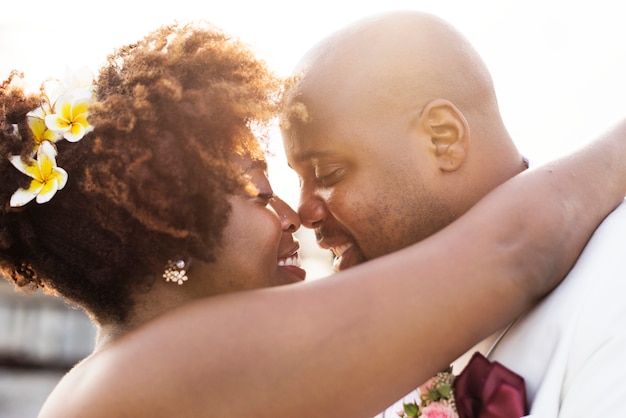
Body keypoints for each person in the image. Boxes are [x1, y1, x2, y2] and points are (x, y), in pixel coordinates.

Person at [0, 21, 625, 418]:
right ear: (173, 229)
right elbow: (512, 249)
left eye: (323, 172)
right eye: (258, 190)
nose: (293, 213)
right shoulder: (155, 372)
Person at [281, 10, 626, 417]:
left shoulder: (613, 276)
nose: (304, 212)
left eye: (327, 173)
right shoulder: (383, 359)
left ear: (443, 139)